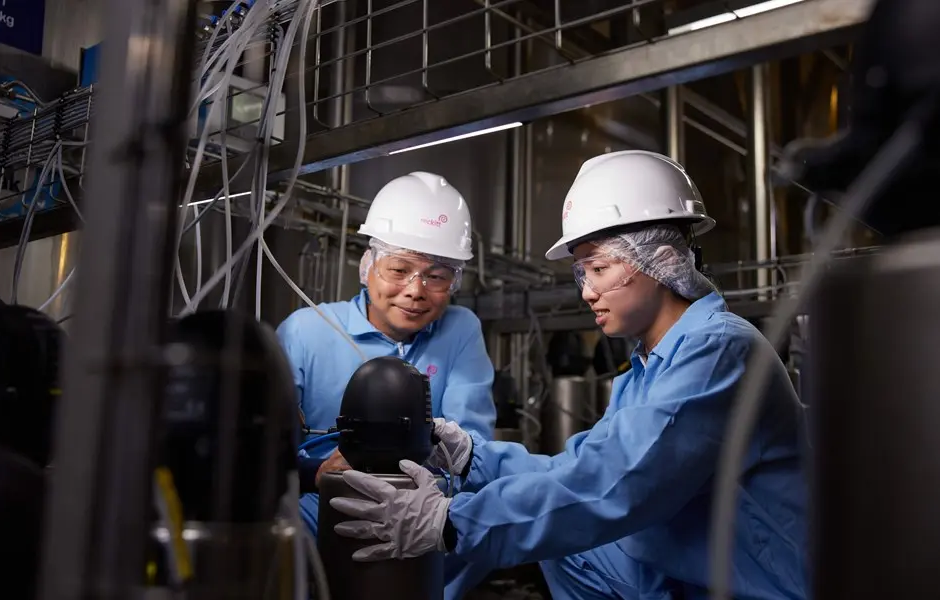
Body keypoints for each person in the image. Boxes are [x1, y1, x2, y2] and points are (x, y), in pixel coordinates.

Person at [327, 151, 809, 600]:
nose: (587, 292)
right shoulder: (649, 364)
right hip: (685, 572)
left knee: (565, 522)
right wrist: (475, 459)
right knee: (562, 536)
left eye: (597, 268)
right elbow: (576, 471)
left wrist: (452, 522)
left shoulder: (719, 349)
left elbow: (616, 484)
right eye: (581, 274)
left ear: (661, 260)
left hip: (757, 587)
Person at [275, 171, 497, 599]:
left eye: (437, 276)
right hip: (322, 505)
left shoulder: (460, 329)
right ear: (368, 267)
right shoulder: (308, 331)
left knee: (475, 534)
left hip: (423, 504)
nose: (415, 291)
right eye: (400, 269)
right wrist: (316, 473)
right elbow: (269, 452)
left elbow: (471, 445)